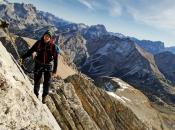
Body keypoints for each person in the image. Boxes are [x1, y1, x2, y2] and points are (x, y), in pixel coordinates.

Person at [19, 30, 58, 104]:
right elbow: (30, 51)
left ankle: (44, 97)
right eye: (45, 36)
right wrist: (23, 57)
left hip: (48, 66)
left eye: (48, 36)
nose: (46, 37)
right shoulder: (38, 43)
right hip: (38, 64)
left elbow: (56, 59)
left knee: (47, 83)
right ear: (43, 36)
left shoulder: (53, 47)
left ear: (50, 38)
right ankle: (35, 95)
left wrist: (54, 71)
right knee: (37, 81)